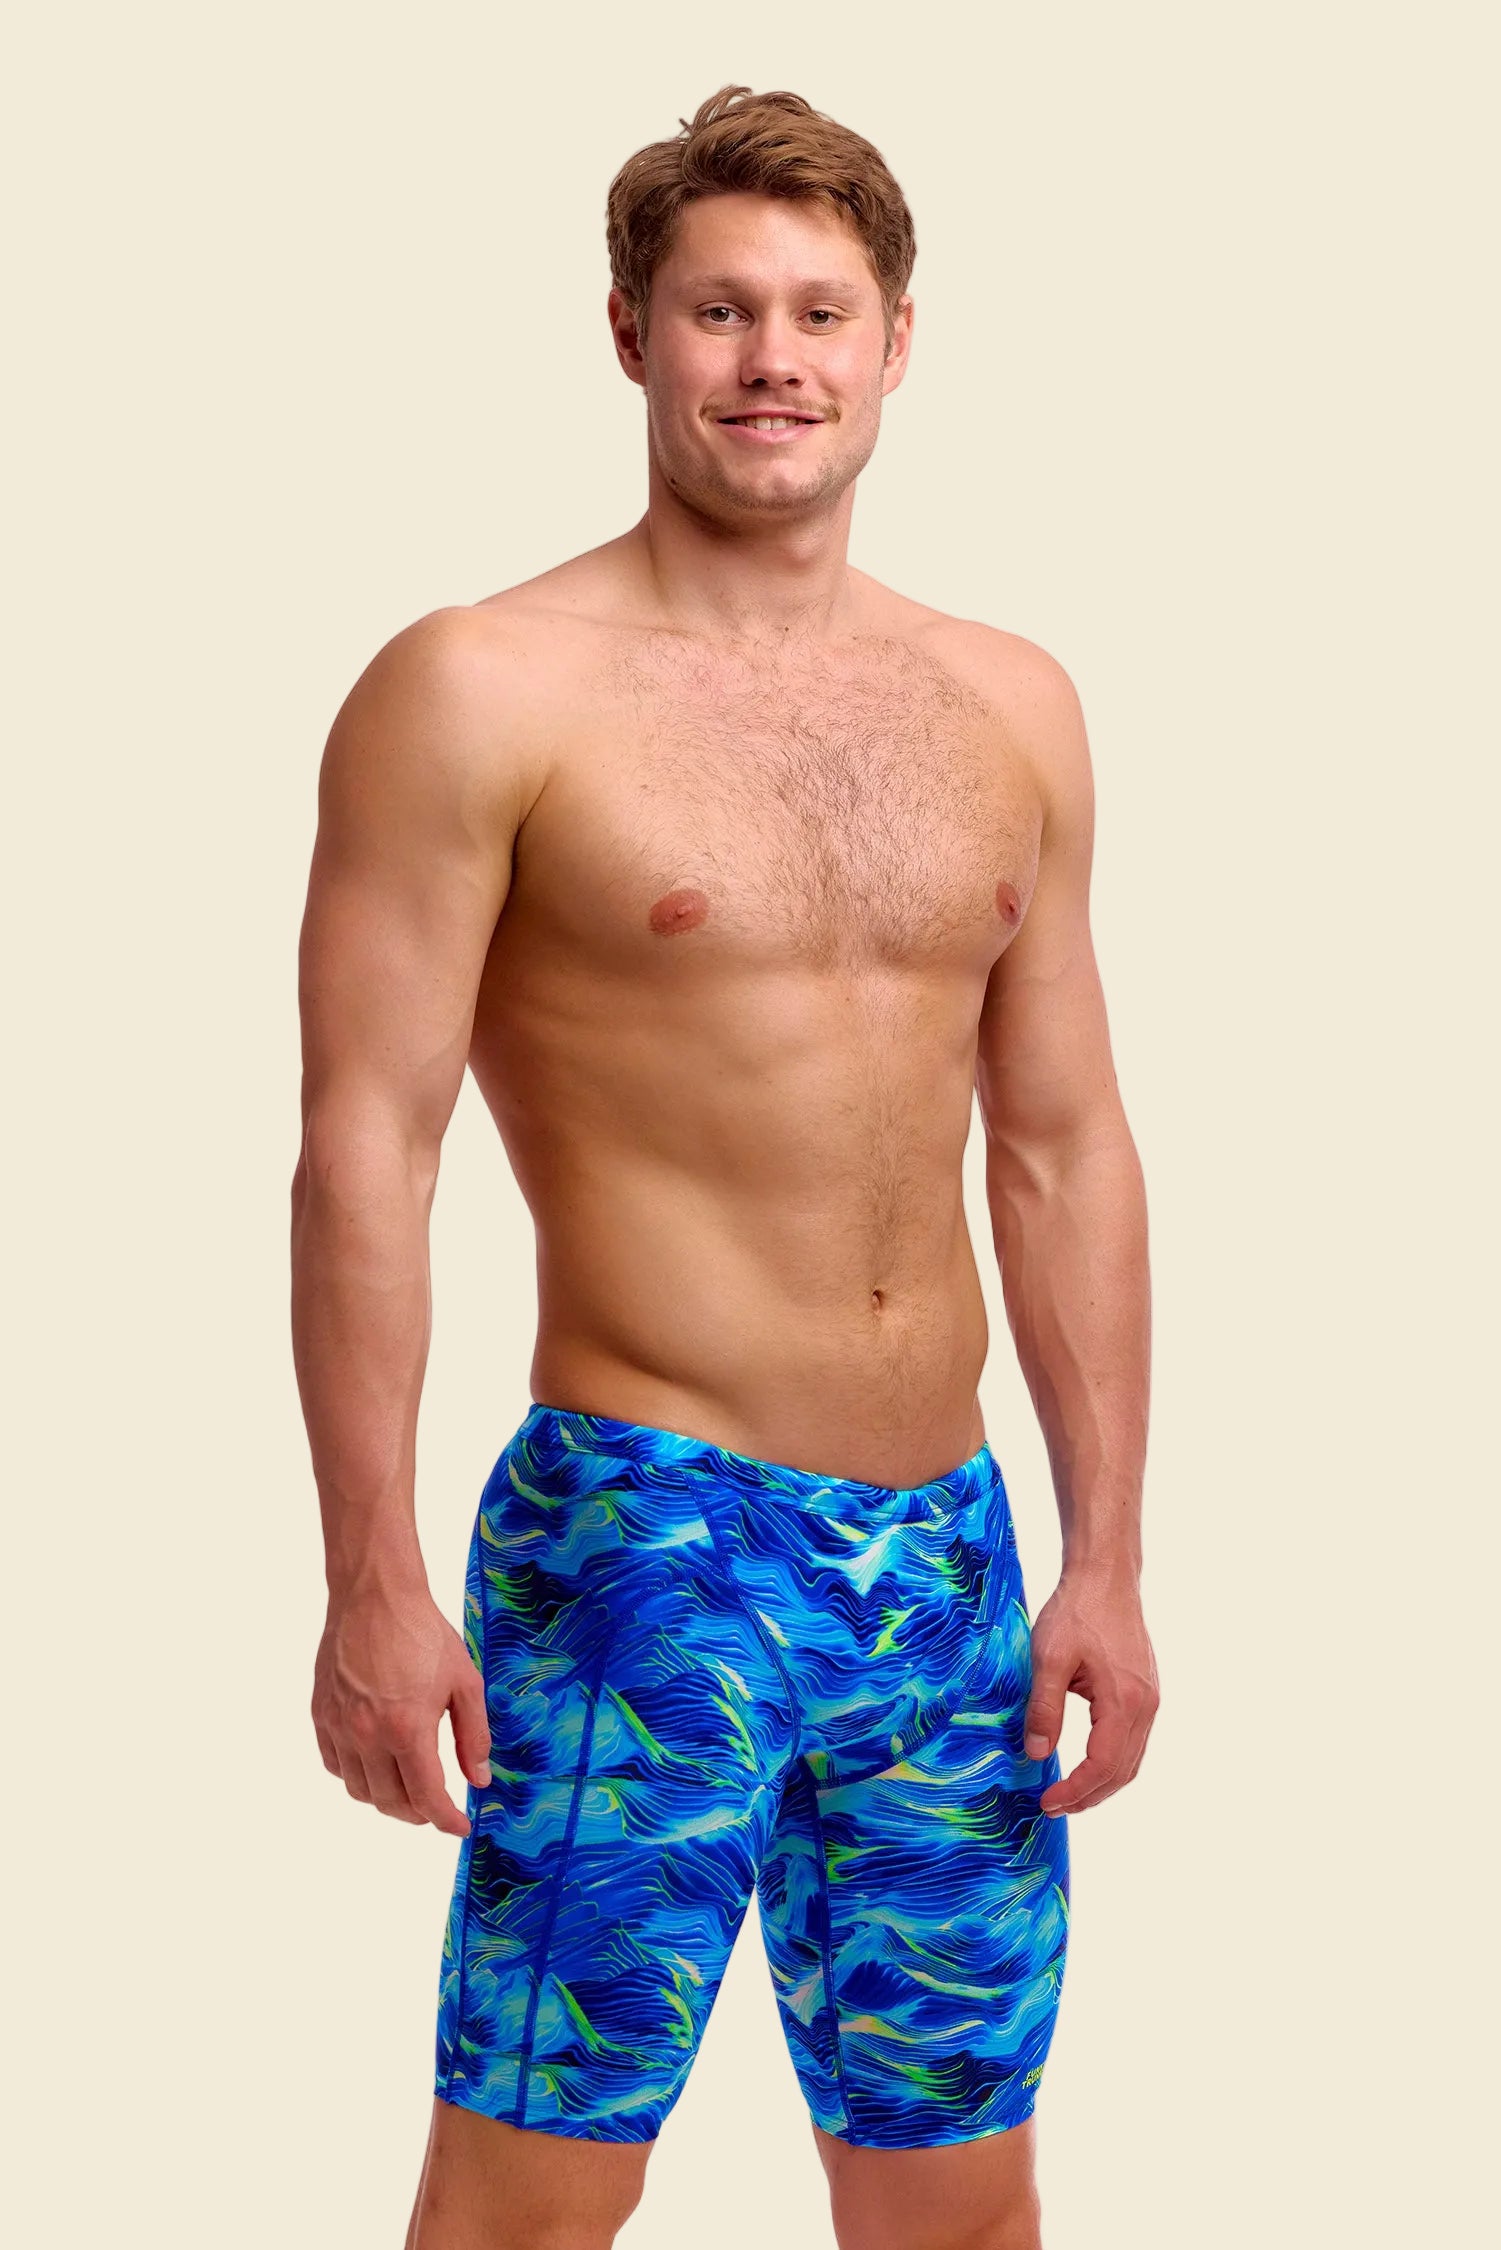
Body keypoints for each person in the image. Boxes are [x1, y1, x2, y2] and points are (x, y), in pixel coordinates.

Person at [291, 82, 1159, 2250]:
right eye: (718, 311)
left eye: (818, 312)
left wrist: (1106, 1556)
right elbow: (365, 1149)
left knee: (957, 2204)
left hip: (944, 1562)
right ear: (629, 334)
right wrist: (370, 1577)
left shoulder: (1010, 703)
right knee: (531, 2200)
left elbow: (1063, 1148)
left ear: (894, 344)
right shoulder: (479, 688)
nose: (773, 359)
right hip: (644, 1538)